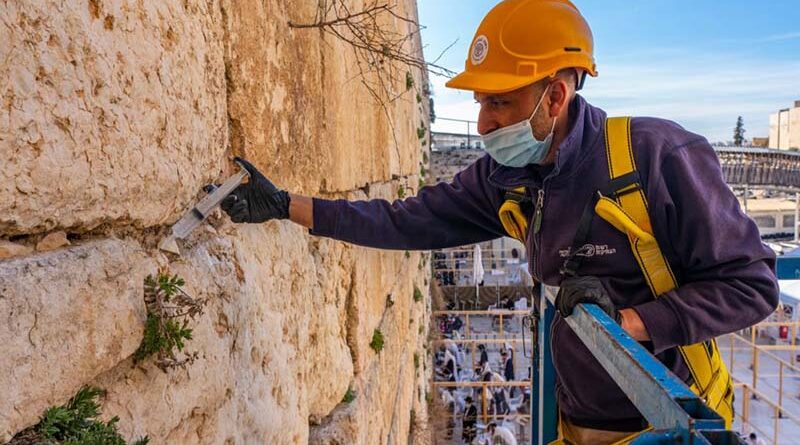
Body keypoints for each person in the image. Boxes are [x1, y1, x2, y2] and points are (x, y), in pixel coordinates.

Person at [220, 0, 778, 442]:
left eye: (500, 104)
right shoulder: (504, 180)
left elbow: (751, 286)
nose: (484, 124)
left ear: (554, 96)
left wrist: (629, 322)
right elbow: (405, 221)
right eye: (482, 103)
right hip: (579, 424)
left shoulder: (655, 157)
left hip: (670, 421)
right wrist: (288, 205)